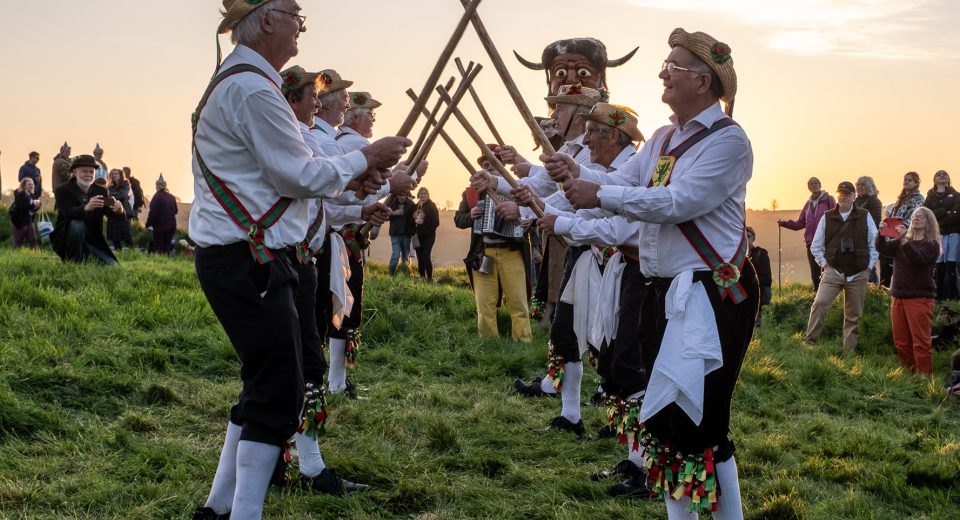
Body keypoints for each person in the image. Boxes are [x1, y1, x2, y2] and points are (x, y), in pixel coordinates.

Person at [189, 2, 409, 518]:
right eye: (295, 15)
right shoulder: (251, 88)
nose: (300, 27)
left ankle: (218, 509)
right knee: (280, 393)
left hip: (251, 257)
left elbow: (288, 179)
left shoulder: (243, 83)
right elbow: (299, 176)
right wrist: (367, 158)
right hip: (251, 260)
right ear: (266, 20)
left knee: (265, 385)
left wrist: (352, 176)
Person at [552, 28, 755, 516]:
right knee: (664, 418)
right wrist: (576, 176)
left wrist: (596, 194)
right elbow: (622, 180)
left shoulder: (729, 143)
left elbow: (677, 202)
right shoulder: (663, 137)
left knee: (701, 422)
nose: (662, 72)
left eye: (673, 66)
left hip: (710, 295)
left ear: (703, 82)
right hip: (663, 291)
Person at [803, 182, 878, 349]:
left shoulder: (865, 216)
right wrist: (825, 265)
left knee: (853, 315)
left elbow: (875, 242)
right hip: (833, 271)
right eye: (840, 194)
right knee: (820, 303)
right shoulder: (827, 217)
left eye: (847, 193)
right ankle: (809, 342)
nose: (843, 196)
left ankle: (849, 352)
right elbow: (816, 245)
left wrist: (869, 267)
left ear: (853, 197)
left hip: (858, 272)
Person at [876, 207, 940, 376]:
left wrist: (904, 239)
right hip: (898, 296)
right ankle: (909, 380)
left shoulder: (931, 244)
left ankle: (924, 380)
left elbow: (917, 259)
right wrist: (881, 233)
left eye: (921, 217)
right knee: (901, 342)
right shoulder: (901, 241)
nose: (916, 218)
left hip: (920, 298)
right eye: (914, 216)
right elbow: (882, 249)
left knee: (920, 343)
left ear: (929, 221)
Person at [50, 155, 124, 265]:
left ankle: (87, 256)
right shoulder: (63, 190)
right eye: (84, 171)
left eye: (91, 172)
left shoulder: (101, 191)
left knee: (113, 267)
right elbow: (66, 213)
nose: (88, 175)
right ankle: (73, 262)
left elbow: (113, 215)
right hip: (67, 238)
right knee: (76, 224)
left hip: (93, 240)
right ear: (75, 173)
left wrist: (120, 209)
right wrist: (85, 208)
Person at [777, 177, 836, 291]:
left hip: (826, 241)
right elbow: (799, 224)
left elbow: (836, 218)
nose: (813, 185)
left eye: (816, 183)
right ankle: (816, 294)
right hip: (811, 242)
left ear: (820, 184)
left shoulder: (829, 199)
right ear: (808, 187)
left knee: (827, 269)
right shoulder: (808, 204)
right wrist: (784, 224)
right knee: (814, 270)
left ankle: (830, 294)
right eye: (811, 184)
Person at [880, 171, 925, 287]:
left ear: (916, 183)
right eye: (905, 179)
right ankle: (883, 295)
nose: (906, 182)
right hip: (891, 235)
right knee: (885, 266)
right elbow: (892, 215)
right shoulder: (900, 199)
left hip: (906, 237)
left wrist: (898, 227)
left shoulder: (918, 199)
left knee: (899, 267)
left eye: (910, 180)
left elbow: (914, 219)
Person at [923, 170, 960, 300]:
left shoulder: (956, 195)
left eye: (945, 174)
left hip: (953, 234)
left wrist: (938, 217)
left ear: (949, 179)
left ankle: (952, 297)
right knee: (939, 267)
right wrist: (946, 211)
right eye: (939, 174)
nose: (942, 175)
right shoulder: (930, 196)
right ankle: (938, 298)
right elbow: (926, 214)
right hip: (938, 235)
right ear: (934, 180)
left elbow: (957, 215)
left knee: (951, 266)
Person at [145, 175, 178, 254]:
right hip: (171, 226)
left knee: (159, 248)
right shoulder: (172, 197)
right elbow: (176, 211)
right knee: (167, 247)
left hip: (160, 227)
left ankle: (160, 262)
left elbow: (152, 213)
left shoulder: (156, 197)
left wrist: (147, 225)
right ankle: (166, 263)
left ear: (157, 186)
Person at [747, 226, 772, 326]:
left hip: (757, 292)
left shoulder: (761, 254)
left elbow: (766, 279)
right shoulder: (734, 255)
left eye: (748, 236)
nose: (746, 238)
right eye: (742, 236)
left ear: (754, 238)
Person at [414, 187, 440, 281]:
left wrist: (423, 222)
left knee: (426, 256)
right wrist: (415, 222)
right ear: (418, 195)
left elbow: (436, 222)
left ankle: (429, 278)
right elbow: (411, 220)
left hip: (428, 236)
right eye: (421, 193)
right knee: (420, 258)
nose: (423, 195)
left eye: (425, 193)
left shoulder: (432, 206)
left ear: (428, 195)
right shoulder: (416, 206)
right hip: (416, 236)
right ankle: (421, 277)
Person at [106, 169, 134, 251]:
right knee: (115, 238)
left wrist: (113, 196)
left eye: (116, 174)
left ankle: (133, 254)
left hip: (124, 212)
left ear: (120, 175)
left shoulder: (126, 183)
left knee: (127, 236)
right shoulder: (110, 187)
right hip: (113, 213)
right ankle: (118, 255)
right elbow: (109, 197)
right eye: (112, 174)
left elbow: (123, 196)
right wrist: (115, 196)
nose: (114, 175)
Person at [388, 194, 416, 275]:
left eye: (403, 195)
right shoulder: (392, 203)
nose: (401, 197)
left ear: (406, 195)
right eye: (400, 195)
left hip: (406, 234)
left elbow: (414, 217)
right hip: (395, 233)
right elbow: (386, 216)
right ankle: (391, 274)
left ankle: (406, 273)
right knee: (396, 254)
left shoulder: (411, 204)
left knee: (405, 256)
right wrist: (393, 213)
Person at [10, 177, 42, 249]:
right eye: (29, 184)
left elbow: (31, 209)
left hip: (29, 222)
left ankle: (34, 258)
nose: (31, 186)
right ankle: (13, 258)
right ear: (24, 186)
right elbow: (21, 207)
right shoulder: (20, 195)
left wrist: (37, 206)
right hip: (19, 222)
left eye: (32, 184)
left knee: (33, 241)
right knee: (18, 243)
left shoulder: (32, 196)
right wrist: (33, 205)